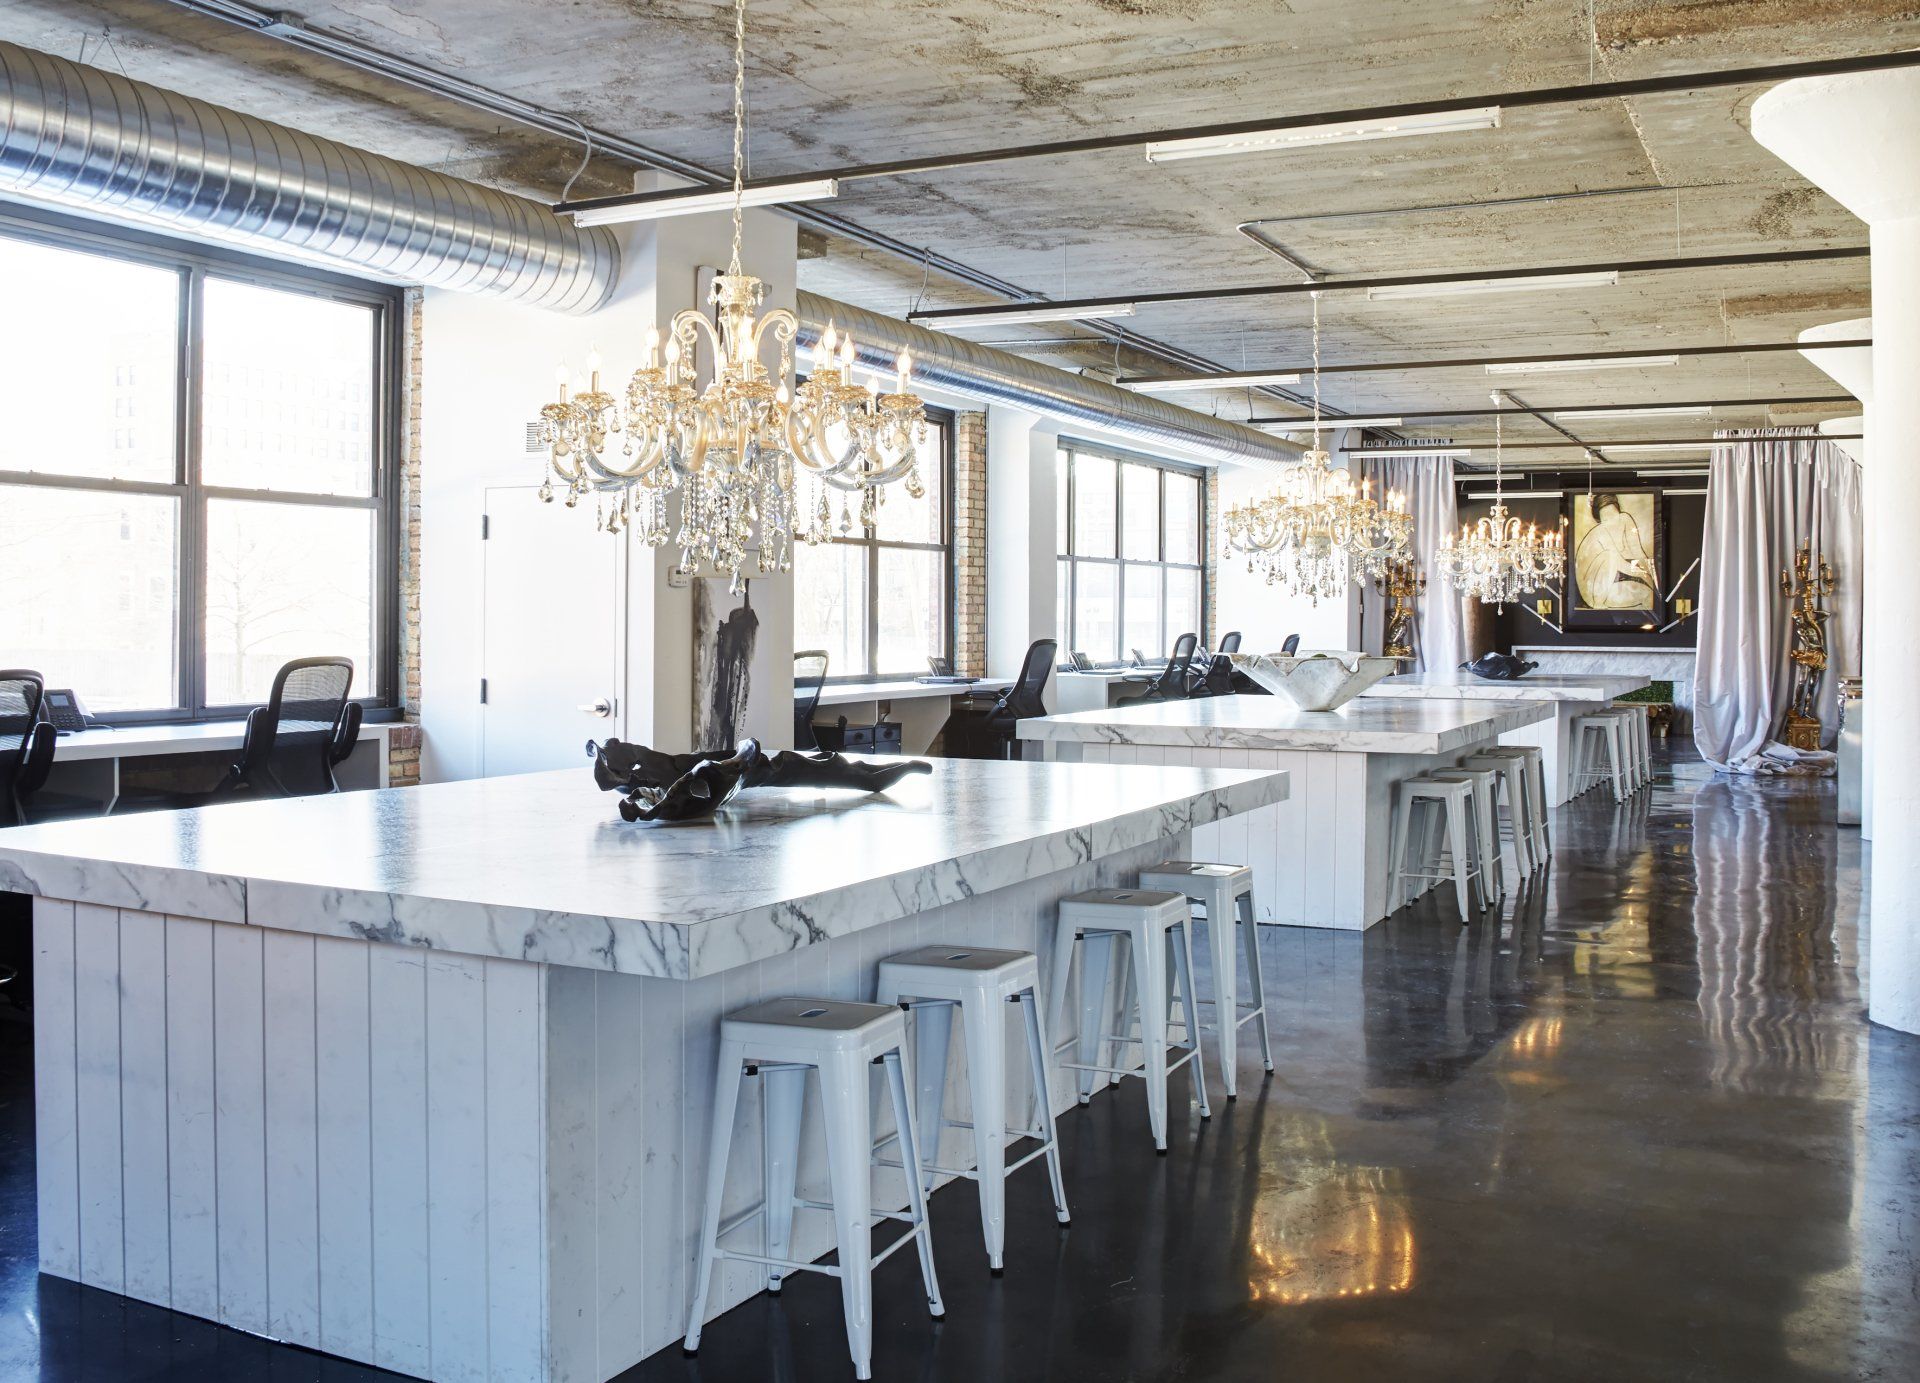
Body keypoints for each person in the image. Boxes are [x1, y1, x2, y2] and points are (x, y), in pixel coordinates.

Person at [1574, 492, 1657, 610]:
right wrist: (1645, 576)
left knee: (1648, 594)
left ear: (1618, 510)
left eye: (1613, 514)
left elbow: (1638, 553)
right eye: (1605, 517)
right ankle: (1598, 604)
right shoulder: (1600, 532)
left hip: (1609, 586)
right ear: (1600, 520)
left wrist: (1654, 583)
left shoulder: (1625, 519)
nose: (1611, 520)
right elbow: (1619, 563)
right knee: (1610, 555)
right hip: (1593, 591)